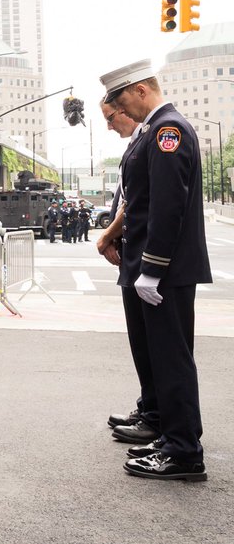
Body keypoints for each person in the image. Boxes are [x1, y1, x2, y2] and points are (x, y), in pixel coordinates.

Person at [98, 59, 210, 481]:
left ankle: (183, 452)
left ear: (142, 89)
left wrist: (153, 268)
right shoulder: (155, 130)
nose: (123, 110)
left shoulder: (169, 130)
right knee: (162, 358)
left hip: (166, 269)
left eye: (123, 100)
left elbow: (167, 206)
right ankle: (173, 439)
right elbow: (143, 201)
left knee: (172, 359)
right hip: (157, 266)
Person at [94, 100, 159, 444]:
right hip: (133, 254)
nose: (108, 126)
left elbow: (141, 204)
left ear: (130, 102)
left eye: (110, 117)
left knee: (161, 349)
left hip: (150, 260)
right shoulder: (138, 142)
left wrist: (108, 234)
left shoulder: (159, 135)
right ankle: (151, 407)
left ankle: (165, 425)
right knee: (143, 345)